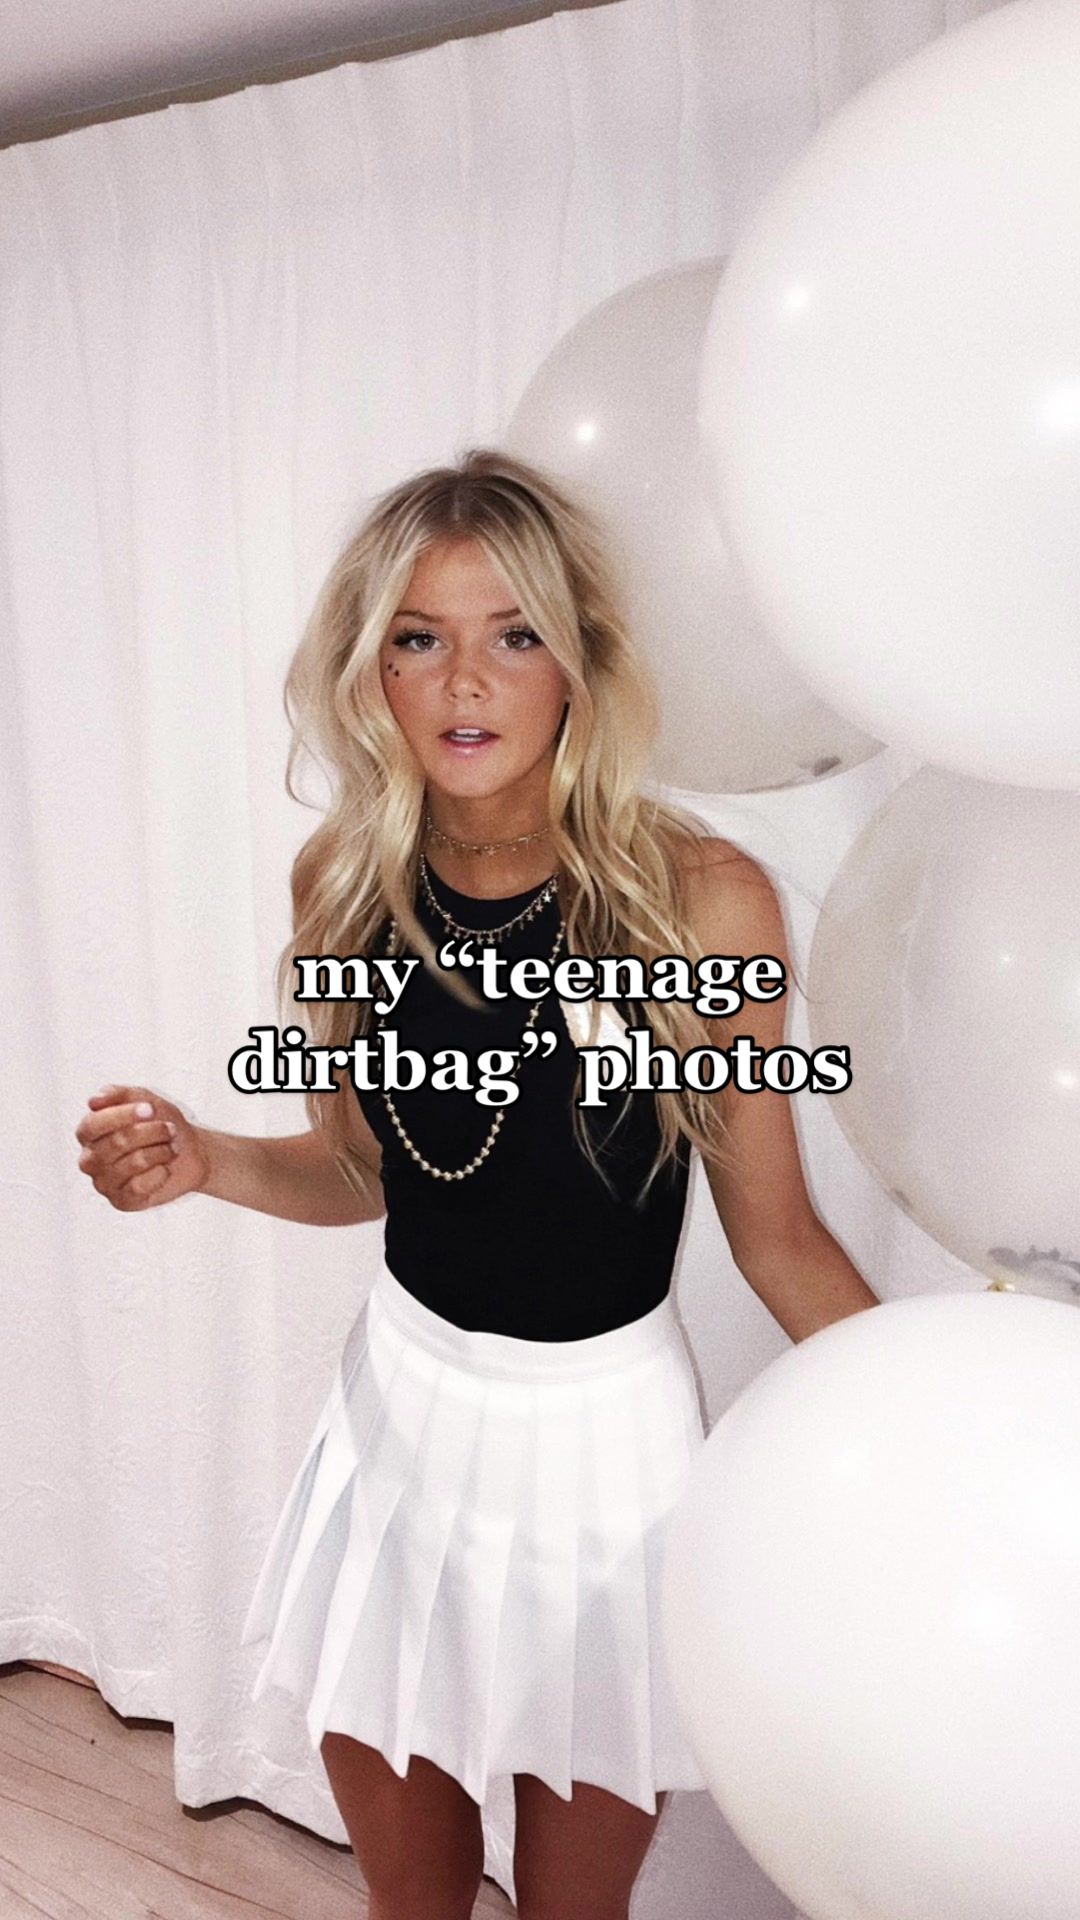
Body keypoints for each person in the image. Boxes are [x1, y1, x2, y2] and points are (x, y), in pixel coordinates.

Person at [75, 448, 880, 1920]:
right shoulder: (343, 882)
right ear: (369, 670)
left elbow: (779, 1242)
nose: (464, 682)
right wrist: (208, 1160)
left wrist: (928, 1439)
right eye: (418, 638)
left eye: (513, 635)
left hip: (606, 1462)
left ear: (579, 662)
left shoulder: (698, 902)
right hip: (398, 1431)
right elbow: (361, 1169)